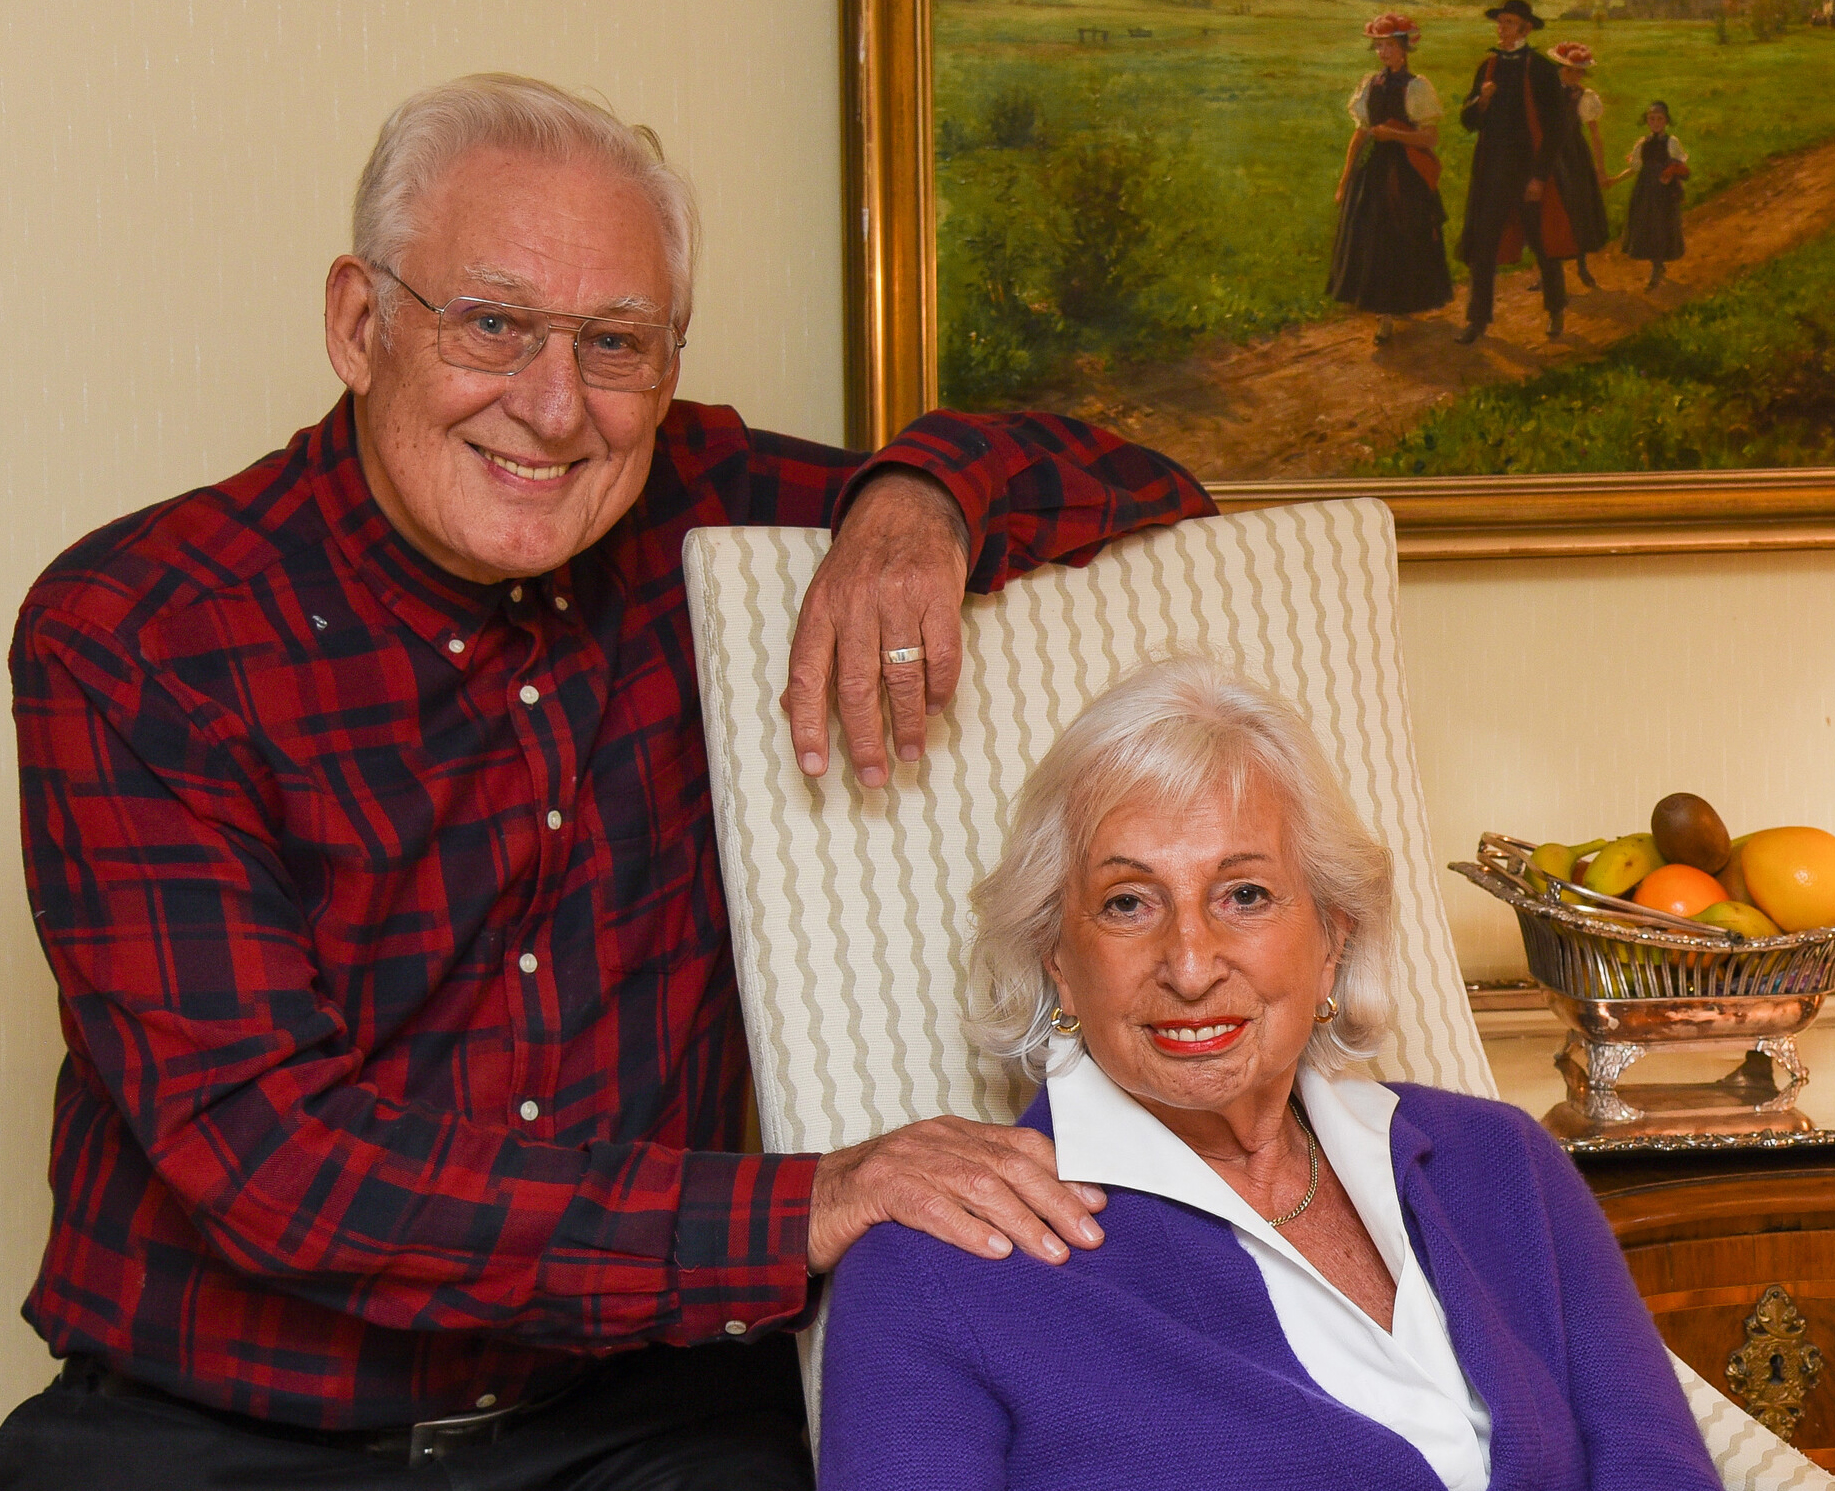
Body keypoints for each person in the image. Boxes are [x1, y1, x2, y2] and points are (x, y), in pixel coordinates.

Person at [0, 73, 1212, 1490]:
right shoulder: (138, 633)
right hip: (220, 1429)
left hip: (648, 1423)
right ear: (358, 321)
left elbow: (1155, 489)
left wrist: (919, 497)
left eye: (616, 343)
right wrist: (805, 1204)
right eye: (492, 323)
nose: (556, 407)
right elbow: (279, 1166)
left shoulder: (712, 511)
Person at [818, 657, 1725, 1491]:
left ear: (1332, 935)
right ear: (1057, 956)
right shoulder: (935, 1267)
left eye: (1243, 894)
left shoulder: (1500, 1164)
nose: (1189, 963)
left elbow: (1659, 1471)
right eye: (1127, 903)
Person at [1453, 0, 1604, 345]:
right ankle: (1477, 320)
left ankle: (1555, 310)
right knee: (1483, 246)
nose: (1501, 28)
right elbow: (1468, 121)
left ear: (1526, 29)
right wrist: (1483, 101)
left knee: (1543, 243)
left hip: (1530, 172)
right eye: (1500, 22)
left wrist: (1539, 176)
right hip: (1492, 172)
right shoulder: (1488, 67)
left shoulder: (1539, 69)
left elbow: (1556, 130)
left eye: (1508, 23)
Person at [1329, 13, 1453, 347]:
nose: (1383, 53)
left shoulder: (1417, 87)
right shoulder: (1371, 85)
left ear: (1404, 49)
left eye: (1389, 46)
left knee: (1404, 235)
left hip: (1407, 172)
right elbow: (1360, 135)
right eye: (1379, 46)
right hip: (1374, 171)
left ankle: (1400, 304)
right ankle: (1383, 314)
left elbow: (1429, 138)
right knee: (1372, 237)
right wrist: (1344, 181)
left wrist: (1396, 135)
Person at [1541, 41, 1611, 291]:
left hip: (1573, 157)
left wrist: (1601, 169)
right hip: (1547, 156)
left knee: (1577, 208)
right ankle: (1548, 272)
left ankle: (1582, 265)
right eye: (1570, 70)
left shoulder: (1585, 97)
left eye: (1579, 71)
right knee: (1548, 211)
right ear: (1560, 69)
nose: (1575, 76)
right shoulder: (1545, 94)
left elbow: (1595, 135)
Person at [1614, 100, 1690, 290]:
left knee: (1661, 226)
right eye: (1651, 119)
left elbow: (1681, 167)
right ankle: (1656, 265)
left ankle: (1657, 268)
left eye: (1659, 119)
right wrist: (1613, 180)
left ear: (1666, 121)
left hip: (1664, 192)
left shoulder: (1671, 142)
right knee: (1646, 225)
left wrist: (1670, 173)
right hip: (1646, 190)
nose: (1655, 122)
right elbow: (1635, 168)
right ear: (1647, 121)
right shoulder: (1642, 144)